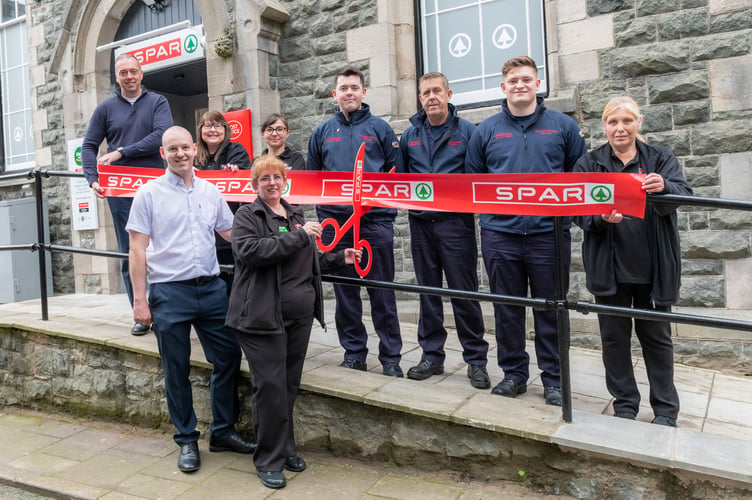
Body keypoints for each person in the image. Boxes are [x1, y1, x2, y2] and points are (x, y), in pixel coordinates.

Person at [226, 155, 360, 489]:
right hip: (260, 317)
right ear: (254, 185)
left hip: (298, 316)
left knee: (287, 385)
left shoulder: (294, 213)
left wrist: (335, 258)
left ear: (286, 180)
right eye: (264, 178)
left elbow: (304, 259)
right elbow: (250, 252)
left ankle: (284, 448)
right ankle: (268, 459)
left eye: (277, 176)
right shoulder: (247, 215)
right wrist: (300, 237)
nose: (272, 182)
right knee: (269, 388)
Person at [126, 126, 255, 473]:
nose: (180, 154)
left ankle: (223, 431)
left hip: (212, 288)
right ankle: (186, 439)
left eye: (185, 147)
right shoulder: (148, 194)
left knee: (228, 356)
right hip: (169, 291)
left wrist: (277, 232)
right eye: (173, 149)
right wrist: (140, 301)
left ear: (195, 149)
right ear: (163, 154)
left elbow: (230, 233)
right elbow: (136, 249)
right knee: (176, 369)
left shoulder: (211, 191)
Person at [465, 56, 586, 406]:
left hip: (549, 236)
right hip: (500, 236)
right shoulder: (485, 131)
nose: (520, 85)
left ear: (537, 84)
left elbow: (579, 177)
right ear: (503, 87)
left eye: (526, 80)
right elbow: (473, 183)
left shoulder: (563, 127)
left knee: (551, 308)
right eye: (513, 80)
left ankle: (554, 379)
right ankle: (514, 374)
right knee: (508, 309)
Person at [573, 97, 692, 427]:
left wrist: (664, 186)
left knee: (657, 341)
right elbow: (576, 211)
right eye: (613, 122)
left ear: (638, 122)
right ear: (605, 126)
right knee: (614, 340)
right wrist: (599, 219)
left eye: (626, 121)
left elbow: (684, 193)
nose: (620, 128)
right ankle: (625, 403)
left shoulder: (659, 158)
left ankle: (666, 410)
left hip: (653, 270)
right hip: (609, 270)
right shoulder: (589, 163)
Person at [307, 65, 404, 377]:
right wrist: (325, 218)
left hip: (375, 224)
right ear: (335, 94)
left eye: (354, 87)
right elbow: (313, 180)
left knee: (382, 292)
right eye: (343, 88)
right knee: (346, 296)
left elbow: (396, 173)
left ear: (363, 92)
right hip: (338, 227)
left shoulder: (380, 129)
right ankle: (354, 353)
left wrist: (384, 214)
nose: (349, 93)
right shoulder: (322, 132)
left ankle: (391, 358)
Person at [399, 72, 490, 389]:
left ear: (449, 94)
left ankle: (476, 360)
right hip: (421, 226)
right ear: (420, 98)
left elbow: (478, 177)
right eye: (426, 93)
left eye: (437, 90)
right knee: (428, 293)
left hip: (456, 225)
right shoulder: (410, 135)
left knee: (464, 294)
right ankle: (431, 356)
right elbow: (402, 180)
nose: (431, 96)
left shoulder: (468, 132)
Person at [81, 53, 173, 336]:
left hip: (157, 187)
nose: (129, 77)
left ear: (141, 74)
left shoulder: (158, 102)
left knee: (161, 249)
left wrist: (122, 152)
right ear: (117, 77)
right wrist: (92, 179)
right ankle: (140, 313)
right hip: (121, 190)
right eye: (123, 73)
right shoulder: (105, 108)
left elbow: (162, 136)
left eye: (133, 71)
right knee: (129, 251)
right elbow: (88, 146)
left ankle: (166, 312)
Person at [194, 110, 252, 293]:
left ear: (225, 129)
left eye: (217, 125)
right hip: (202, 234)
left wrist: (237, 172)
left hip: (228, 234)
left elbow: (244, 184)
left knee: (232, 285)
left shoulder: (236, 151)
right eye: (207, 125)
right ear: (200, 130)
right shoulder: (194, 156)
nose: (212, 130)